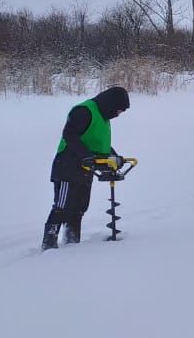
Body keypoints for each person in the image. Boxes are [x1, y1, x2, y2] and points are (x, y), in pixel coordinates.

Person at [42, 85, 130, 250]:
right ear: (111, 104)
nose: (118, 115)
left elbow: (100, 145)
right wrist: (85, 155)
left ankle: (72, 244)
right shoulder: (84, 111)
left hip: (85, 169)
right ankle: (48, 244)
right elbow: (69, 134)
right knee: (62, 207)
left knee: (79, 208)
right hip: (67, 167)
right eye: (118, 110)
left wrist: (114, 157)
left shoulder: (104, 118)